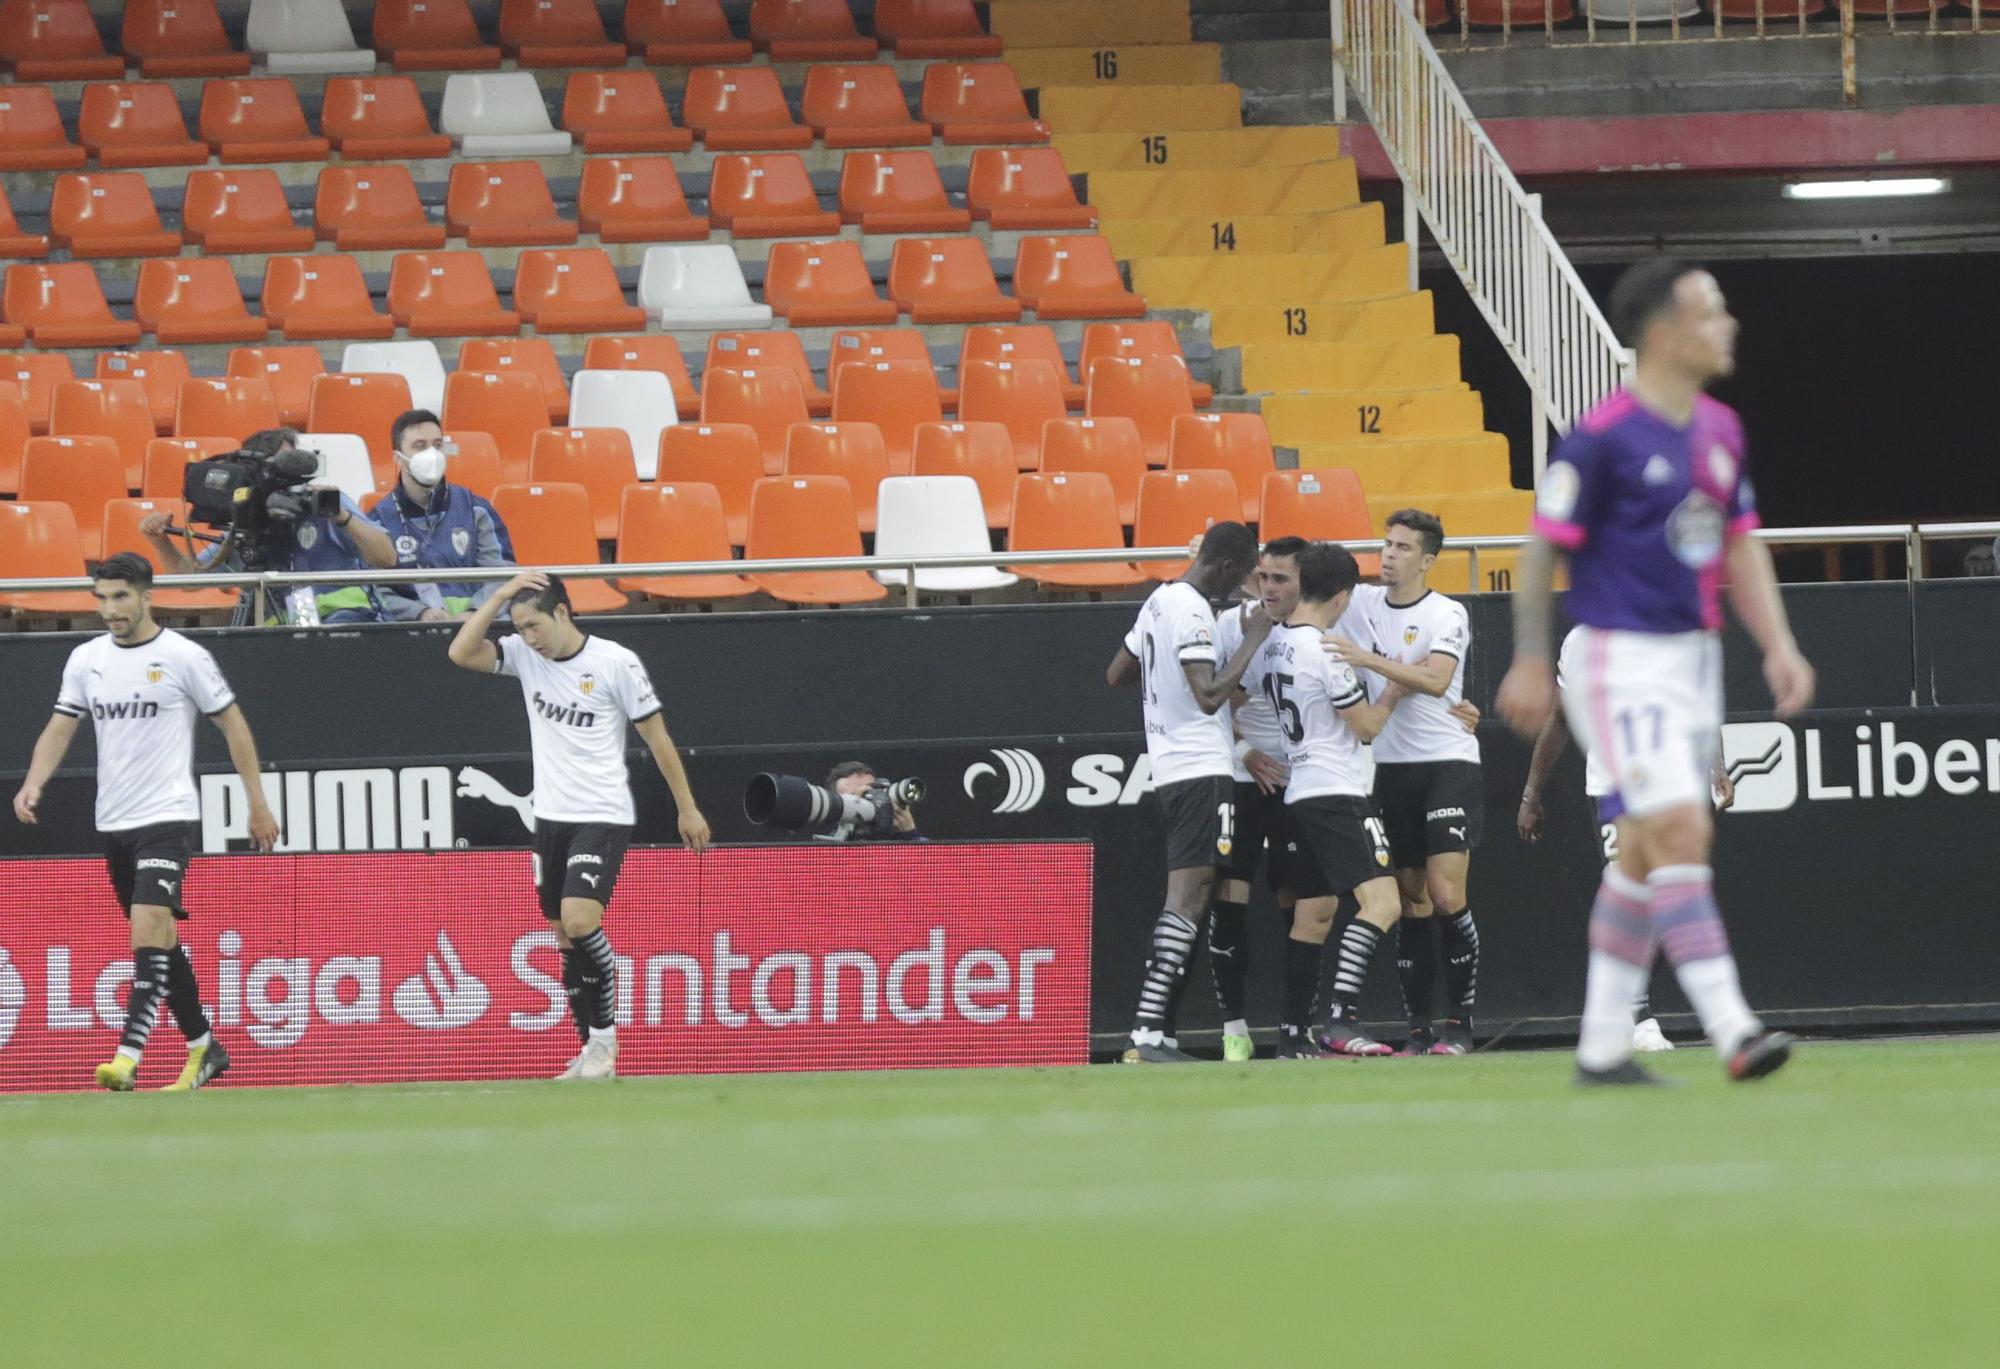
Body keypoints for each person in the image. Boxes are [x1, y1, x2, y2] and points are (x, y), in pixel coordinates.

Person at [1496, 257, 1815, 1087]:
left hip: (1693, 661)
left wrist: (1776, 644)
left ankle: (1603, 1048)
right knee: (1681, 833)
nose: (1729, 325)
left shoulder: (1720, 430)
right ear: (1665, 333)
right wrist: (1533, 658)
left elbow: (1738, 544)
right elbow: (1540, 554)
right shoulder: (1602, 438)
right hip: (1619, 658)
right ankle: (1734, 1029)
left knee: (1642, 853)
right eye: (1712, 312)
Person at [11, 553, 280, 1091]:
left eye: (120, 597)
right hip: (114, 820)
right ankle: (204, 1047)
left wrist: (258, 802)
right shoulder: (86, 659)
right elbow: (60, 727)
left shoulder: (183, 656)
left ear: (146, 596)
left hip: (168, 815)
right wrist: (34, 780)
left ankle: (127, 1057)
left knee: (147, 927)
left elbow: (234, 727)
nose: (110, 610)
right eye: (102, 598)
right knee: (160, 941)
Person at [447, 572, 711, 1081]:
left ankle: (606, 1041)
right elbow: (461, 653)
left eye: (534, 624)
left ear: (562, 613)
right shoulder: (525, 659)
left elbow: (658, 739)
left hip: (601, 812)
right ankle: (587, 1049)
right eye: (519, 628)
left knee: (579, 921)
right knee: (563, 939)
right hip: (550, 816)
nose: (528, 637)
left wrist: (687, 807)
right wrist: (499, 597)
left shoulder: (615, 663)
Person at [1520, 626, 1739, 1053]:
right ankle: (1641, 1016)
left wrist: (1717, 766)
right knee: (1636, 897)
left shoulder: (1671, 620)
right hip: (1614, 784)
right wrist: (1531, 791)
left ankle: (1627, 1013)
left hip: (1674, 780)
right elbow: (1563, 716)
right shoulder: (1581, 640)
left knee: (1674, 896)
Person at [1106, 521, 1270, 1064]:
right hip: (1200, 767)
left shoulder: (1157, 601)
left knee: (1192, 896)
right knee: (1188, 898)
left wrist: (1162, 681)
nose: (1243, 585)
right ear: (1225, 567)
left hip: (1170, 765)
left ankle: (1157, 1035)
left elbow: (1118, 672)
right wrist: (1252, 639)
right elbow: (1208, 696)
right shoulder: (1194, 609)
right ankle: (1148, 1034)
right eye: (1243, 574)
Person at [1242, 542, 1410, 1058]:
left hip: (1300, 791)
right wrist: (1394, 690)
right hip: (1338, 790)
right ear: (1341, 597)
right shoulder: (1328, 650)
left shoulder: (1273, 645)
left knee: (1313, 914)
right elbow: (1365, 728)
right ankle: (1341, 1019)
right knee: (1383, 903)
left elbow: (1239, 697)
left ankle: (1292, 1035)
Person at [1325, 509, 1483, 1056]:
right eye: (1386, 544)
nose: (1389, 554)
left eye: (1402, 547)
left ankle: (1460, 1024)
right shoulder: (1361, 604)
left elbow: (1438, 681)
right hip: (1389, 769)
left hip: (1447, 763)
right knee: (1411, 899)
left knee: (1445, 893)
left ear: (1428, 560)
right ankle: (1419, 1029)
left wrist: (1368, 659)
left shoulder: (1447, 612)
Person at [1207, 537, 1311, 1062]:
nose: (1269, 588)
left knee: (1296, 903)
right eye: (1263, 577)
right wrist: (1245, 750)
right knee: (1229, 897)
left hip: (1298, 783)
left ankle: (1295, 1030)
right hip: (1242, 777)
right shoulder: (1230, 626)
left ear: (1302, 582)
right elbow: (1204, 698)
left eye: (1280, 579)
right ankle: (1234, 1028)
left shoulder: (1319, 630)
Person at [138, 427, 397, 625]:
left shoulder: (326, 502)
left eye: (294, 463)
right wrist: (160, 541)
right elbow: (190, 581)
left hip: (349, 620)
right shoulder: (248, 520)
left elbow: (386, 557)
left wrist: (341, 517)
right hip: (281, 631)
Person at [370, 409, 516, 623]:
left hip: (480, 629)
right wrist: (418, 612)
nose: (432, 454)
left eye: (437, 445)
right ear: (397, 458)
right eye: (419, 446)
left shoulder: (476, 509)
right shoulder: (377, 521)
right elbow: (373, 587)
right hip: (411, 635)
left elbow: (502, 574)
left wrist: (475, 613)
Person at [826, 761, 919, 839]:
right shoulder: (826, 852)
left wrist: (910, 835)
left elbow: (927, 859)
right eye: (852, 797)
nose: (863, 800)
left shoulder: (900, 838)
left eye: (870, 792)